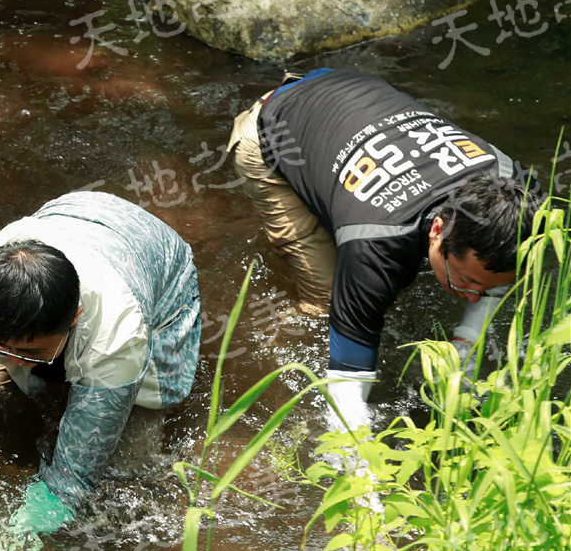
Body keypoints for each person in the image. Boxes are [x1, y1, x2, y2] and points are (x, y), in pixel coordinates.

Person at [227, 68, 544, 431]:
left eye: (482, 290)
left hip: (352, 90)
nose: (473, 299)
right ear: (437, 231)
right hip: (273, 131)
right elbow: (346, 391)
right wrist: (360, 471)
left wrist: (465, 347)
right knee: (323, 301)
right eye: (466, 282)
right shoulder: (373, 246)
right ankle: (272, 350)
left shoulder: (516, 194)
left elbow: (498, 273)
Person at [0, 191, 201, 551]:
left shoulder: (118, 333)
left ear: (76, 317)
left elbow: (73, 479)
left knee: (126, 468)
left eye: (30, 352)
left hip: (157, 263)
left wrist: (15, 542)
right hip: (70, 215)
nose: (16, 358)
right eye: (0, 345)